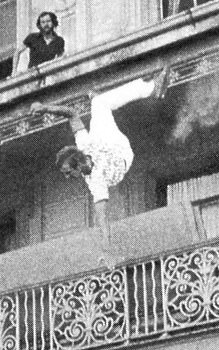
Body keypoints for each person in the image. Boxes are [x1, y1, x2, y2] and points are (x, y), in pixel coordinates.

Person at [32, 67, 169, 245]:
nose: (67, 177)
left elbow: (71, 114)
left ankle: (149, 87)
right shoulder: (95, 182)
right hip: (122, 154)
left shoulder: (83, 144)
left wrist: (45, 108)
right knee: (99, 105)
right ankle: (128, 92)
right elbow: (102, 218)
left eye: (67, 171)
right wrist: (107, 248)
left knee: (99, 103)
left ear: (77, 162)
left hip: (109, 142)